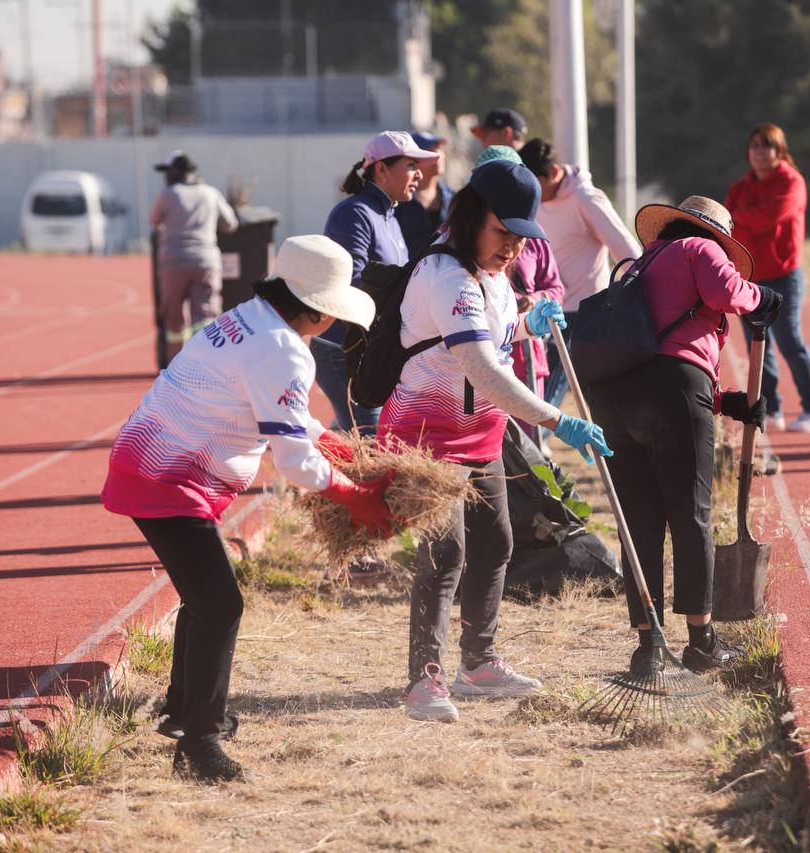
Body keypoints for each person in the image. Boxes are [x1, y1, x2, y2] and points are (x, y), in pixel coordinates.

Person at [101, 235, 394, 782]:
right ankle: (200, 745)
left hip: (154, 467)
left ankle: (183, 709)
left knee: (204, 596)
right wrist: (357, 496)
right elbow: (294, 466)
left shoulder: (251, 318)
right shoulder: (281, 348)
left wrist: (338, 447)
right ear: (320, 310)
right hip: (167, 479)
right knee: (221, 603)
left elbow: (282, 417)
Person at [379, 159, 612, 723]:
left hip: (481, 436)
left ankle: (478, 662)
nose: (512, 248)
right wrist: (560, 423)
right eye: (502, 233)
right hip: (427, 440)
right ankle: (424, 681)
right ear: (469, 219)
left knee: (496, 543)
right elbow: (482, 367)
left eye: (520, 237)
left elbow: (498, 334)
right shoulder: (447, 275)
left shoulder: (491, 276)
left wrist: (531, 324)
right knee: (445, 554)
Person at [584, 198, 781, 675]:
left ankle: (648, 647)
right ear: (715, 234)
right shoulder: (699, 246)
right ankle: (701, 642)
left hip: (612, 400)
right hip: (672, 394)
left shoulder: (640, 263)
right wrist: (764, 299)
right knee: (691, 515)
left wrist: (726, 400)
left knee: (641, 525)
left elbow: (651, 351)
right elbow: (725, 294)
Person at [318, 131, 440, 435]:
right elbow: (353, 284)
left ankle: (323, 463)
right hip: (342, 349)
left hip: (372, 348)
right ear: (382, 169)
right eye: (411, 165)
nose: (419, 174)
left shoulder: (390, 216)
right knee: (372, 443)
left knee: (361, 439)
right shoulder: (354, 213)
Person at [519, 138, 641, 412]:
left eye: (535, 183)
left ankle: (539, 446)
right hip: (542, 305)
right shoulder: (533, 199)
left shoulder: (586, 199)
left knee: (551, 394)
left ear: (552, 173)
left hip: (582, 312)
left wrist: (632, 299)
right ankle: (537, 443)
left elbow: (629, 252)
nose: (531, 192)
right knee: (536, 387)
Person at [725, 123, 810, 433]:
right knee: (758, 346)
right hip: (749, 277)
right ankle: (771, 409)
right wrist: (746, 220)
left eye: (766, 146)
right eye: (754, 145)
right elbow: (728, 224)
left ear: (779, 150)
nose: (759, 152)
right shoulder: (739, 188)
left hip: (785, 276)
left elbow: (770, 217)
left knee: (789, 340)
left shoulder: (792, 181)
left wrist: (744, 218)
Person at [475, 145, 567, 420]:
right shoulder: (463, 235)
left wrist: (535, 301)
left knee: (531, 443)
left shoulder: (535, 238)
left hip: (527, 356)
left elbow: (556, 288)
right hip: (480, 356)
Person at [149, 150, 238, 363]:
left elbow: (154, 221)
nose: (165, 176)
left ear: (177, 171)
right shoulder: (210, 193)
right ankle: (207, 365)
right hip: (206, 261)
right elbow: (230, 224)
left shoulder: (168, 194)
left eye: (167, 171)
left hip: (173, 263)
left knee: (174, 319)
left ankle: (175, 368)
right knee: (206, 315)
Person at [395, 131, 456, 254]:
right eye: (429, 151)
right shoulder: (398, 200)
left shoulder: (454, 198)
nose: (437, 155)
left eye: (438, 149)